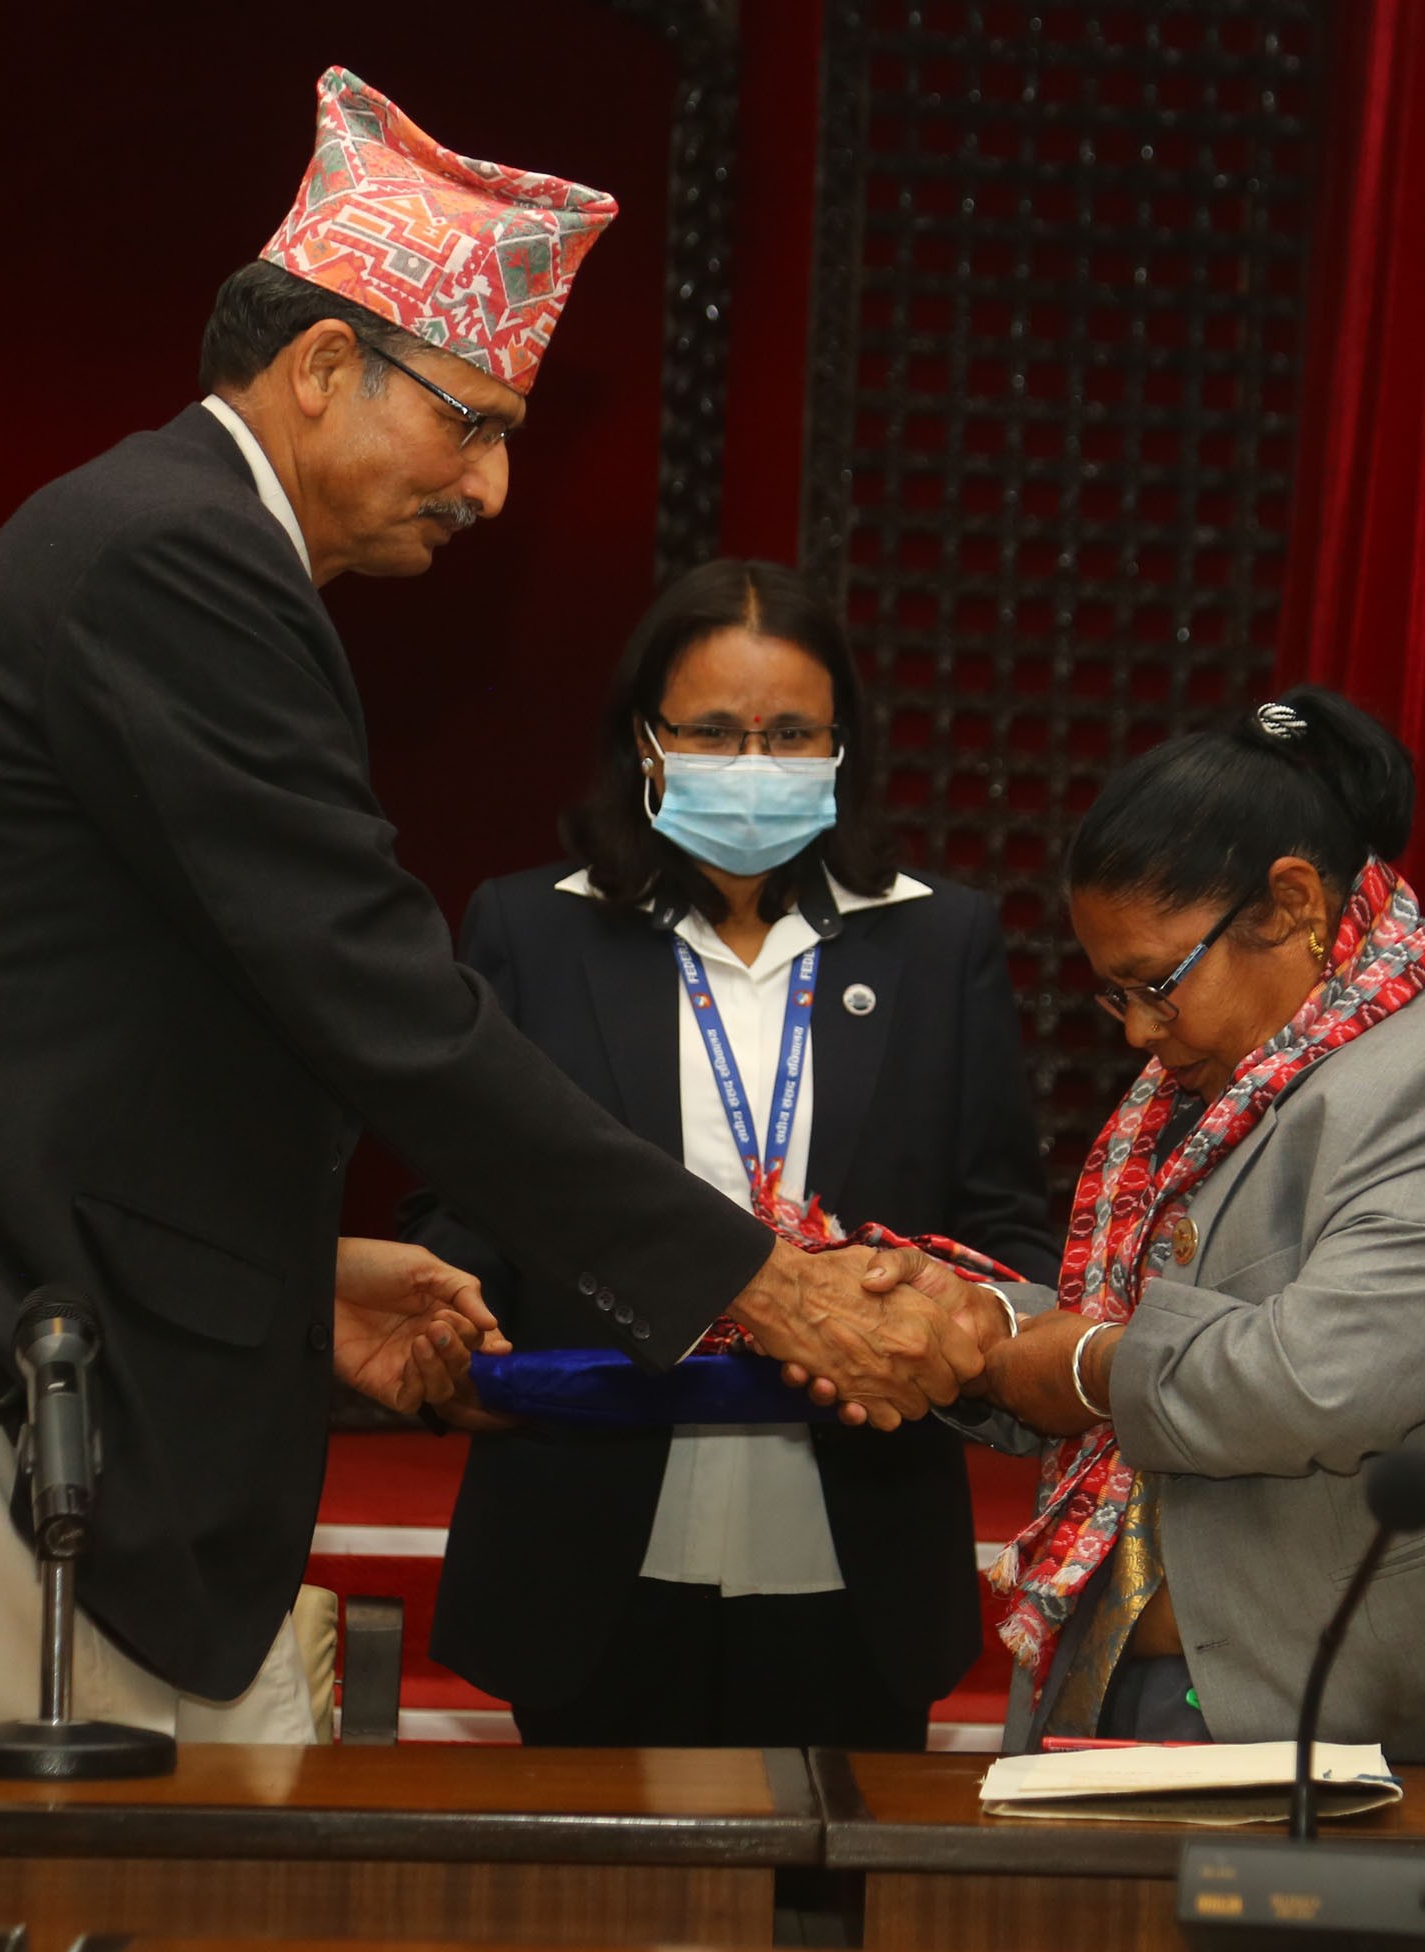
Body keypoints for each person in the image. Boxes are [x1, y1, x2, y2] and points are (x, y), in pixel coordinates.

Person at [0, 68, 974, 1744]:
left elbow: (98, 1037)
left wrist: (295, 1270)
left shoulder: (180, 547)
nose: (494, 488)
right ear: (321, 368)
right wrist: (765, 1284)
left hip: (0, 1336)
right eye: (476, 419)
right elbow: (382, 1003)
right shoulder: (181, 560)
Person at [859, 686, 1425, 1764]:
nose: (1143, 1033)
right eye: (1116, 997)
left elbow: (1321, 1376)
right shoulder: (1199, 1085)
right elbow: (1139, 1323)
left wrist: (1083, 1365)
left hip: (1384, 1715)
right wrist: (979, 1327)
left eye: (1156, 983)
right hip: (1138, 1674)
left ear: (1292, 902)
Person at [405, 560, 1060, 1749]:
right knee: (585, 1928)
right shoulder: (532, 930)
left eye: (791, 731)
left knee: (833, 1919)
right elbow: (473, 1209)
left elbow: (1005, 1226)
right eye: (713, 731)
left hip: (856, 1543)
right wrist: (452, 1328)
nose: (753, 763)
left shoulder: (936, 939)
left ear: (841, 745)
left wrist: (957, 1322)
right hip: (587, 1538)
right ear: (645, 744)